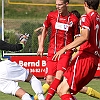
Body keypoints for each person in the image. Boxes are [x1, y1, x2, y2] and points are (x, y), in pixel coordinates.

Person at [35, 8, 100, 100]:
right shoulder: (92, 23)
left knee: (62, 87)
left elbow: (82, 39)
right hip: (80, 59)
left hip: (77, 60)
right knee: (54, 83)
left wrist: (67, 49)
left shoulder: (83, 27)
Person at [52, 0, 100, 99]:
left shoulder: (86, 17)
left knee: (62, 90)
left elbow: (84, 36)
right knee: (63, 90)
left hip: (84, 57)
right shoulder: (98, 18)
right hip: (94, 61)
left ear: (85, 4)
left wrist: (64, 48)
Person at [0, 34, 45, 100]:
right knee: (31, 78)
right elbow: (17, 47)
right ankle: (41, 98)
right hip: (3, 66)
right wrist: (23, 40)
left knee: (21, 94)